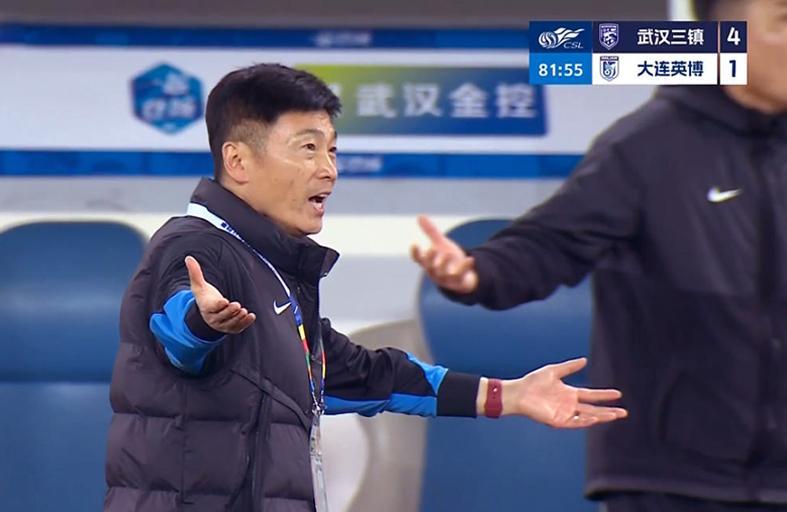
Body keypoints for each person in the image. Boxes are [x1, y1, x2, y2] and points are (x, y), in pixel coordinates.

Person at [103, 63, 626, 512]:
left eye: (332, 150)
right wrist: (202, 323)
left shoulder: (271, 268)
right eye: (307, 149)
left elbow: (366, 376)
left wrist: (508, 395)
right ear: (238, 161)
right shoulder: (196, 244)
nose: (328, 170)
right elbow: (175, 329)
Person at [412, 1, 787, 510]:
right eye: (782, 20)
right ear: (725, 35)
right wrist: (478, 272)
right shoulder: (648, 146)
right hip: (674, 478)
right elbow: (551, 241)